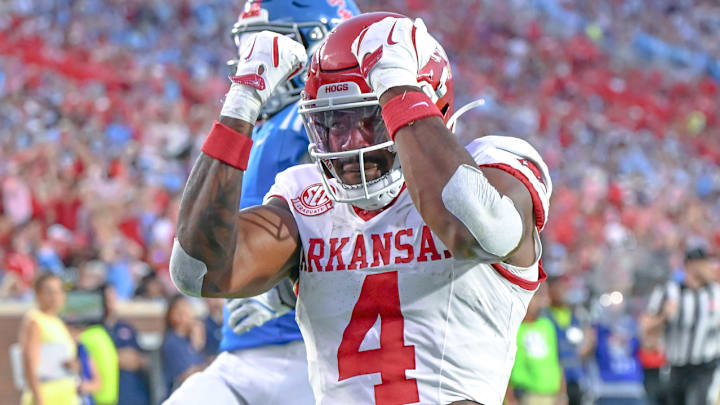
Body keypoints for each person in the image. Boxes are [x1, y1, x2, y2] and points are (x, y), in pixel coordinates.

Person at [170, 11, 552, 405]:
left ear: (427, 102)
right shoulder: (305, 197)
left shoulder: (495, 164)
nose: (352, 142)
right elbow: (197, 272)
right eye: (334, 123)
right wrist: (242, 100)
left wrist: (395, 85)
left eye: (370, 119)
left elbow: (481, 231)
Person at [163, 1, 359, 404]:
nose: (254, 56)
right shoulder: (264, 127)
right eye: (249, 42)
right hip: (241, 355)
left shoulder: (326, 125)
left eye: (267, 41)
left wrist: (283, 291)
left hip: (315, 351)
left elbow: (367, 228)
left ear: (316, 44)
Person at [643, 246, 720, 405]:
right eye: (703, 263)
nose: (708, 267)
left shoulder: (716, 293)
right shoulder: (667, 291)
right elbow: (646, 327)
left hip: (705, 365)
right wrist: (664, 316)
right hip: (675, 366)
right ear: (689, 265)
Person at [18, 273, 80, 405]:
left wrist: (72, 365)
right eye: (49, 292)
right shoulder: (35, 320)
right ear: (38, 293)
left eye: (59, 291)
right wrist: (39, 400)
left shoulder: (57, 321)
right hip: (46, 395)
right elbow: (29, 363)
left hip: (65, 394)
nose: (56, 297)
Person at [506, 285, 566, 405]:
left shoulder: (547, 325)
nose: (542, 302)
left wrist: (563, 393)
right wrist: (510, 398)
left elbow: (557, 360)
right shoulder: (512, 328)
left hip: (551, 395)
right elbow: (505, 365)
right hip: (526, 395)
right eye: (537, 297)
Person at [584, 293, 647, 405]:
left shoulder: (632, 326)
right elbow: (583, 353)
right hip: (606, 391)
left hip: (633, 389)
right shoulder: (597, 330)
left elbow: (648, 346)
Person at [102, 284, 151, 405]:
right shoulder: (95, 329)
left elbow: (143, 359)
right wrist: (115, 358)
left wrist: (137, 359)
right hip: (108, 394)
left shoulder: (126, 327)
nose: (110, 301)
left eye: (113, 296)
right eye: (106, 297)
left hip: (134, 394)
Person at [545, 274, 587, 405]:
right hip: (553, 379)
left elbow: (583, 346)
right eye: (558, 288)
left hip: (574, 378)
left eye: (565, 288)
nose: (563, 292)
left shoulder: (575, 316)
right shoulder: (544, 316)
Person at [161, 295, 207, 399]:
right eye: (180, 310)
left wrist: (197, 342)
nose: (186, 314)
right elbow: (187, 375)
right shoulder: (172, 342)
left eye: (187, 308)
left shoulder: (194, 338)